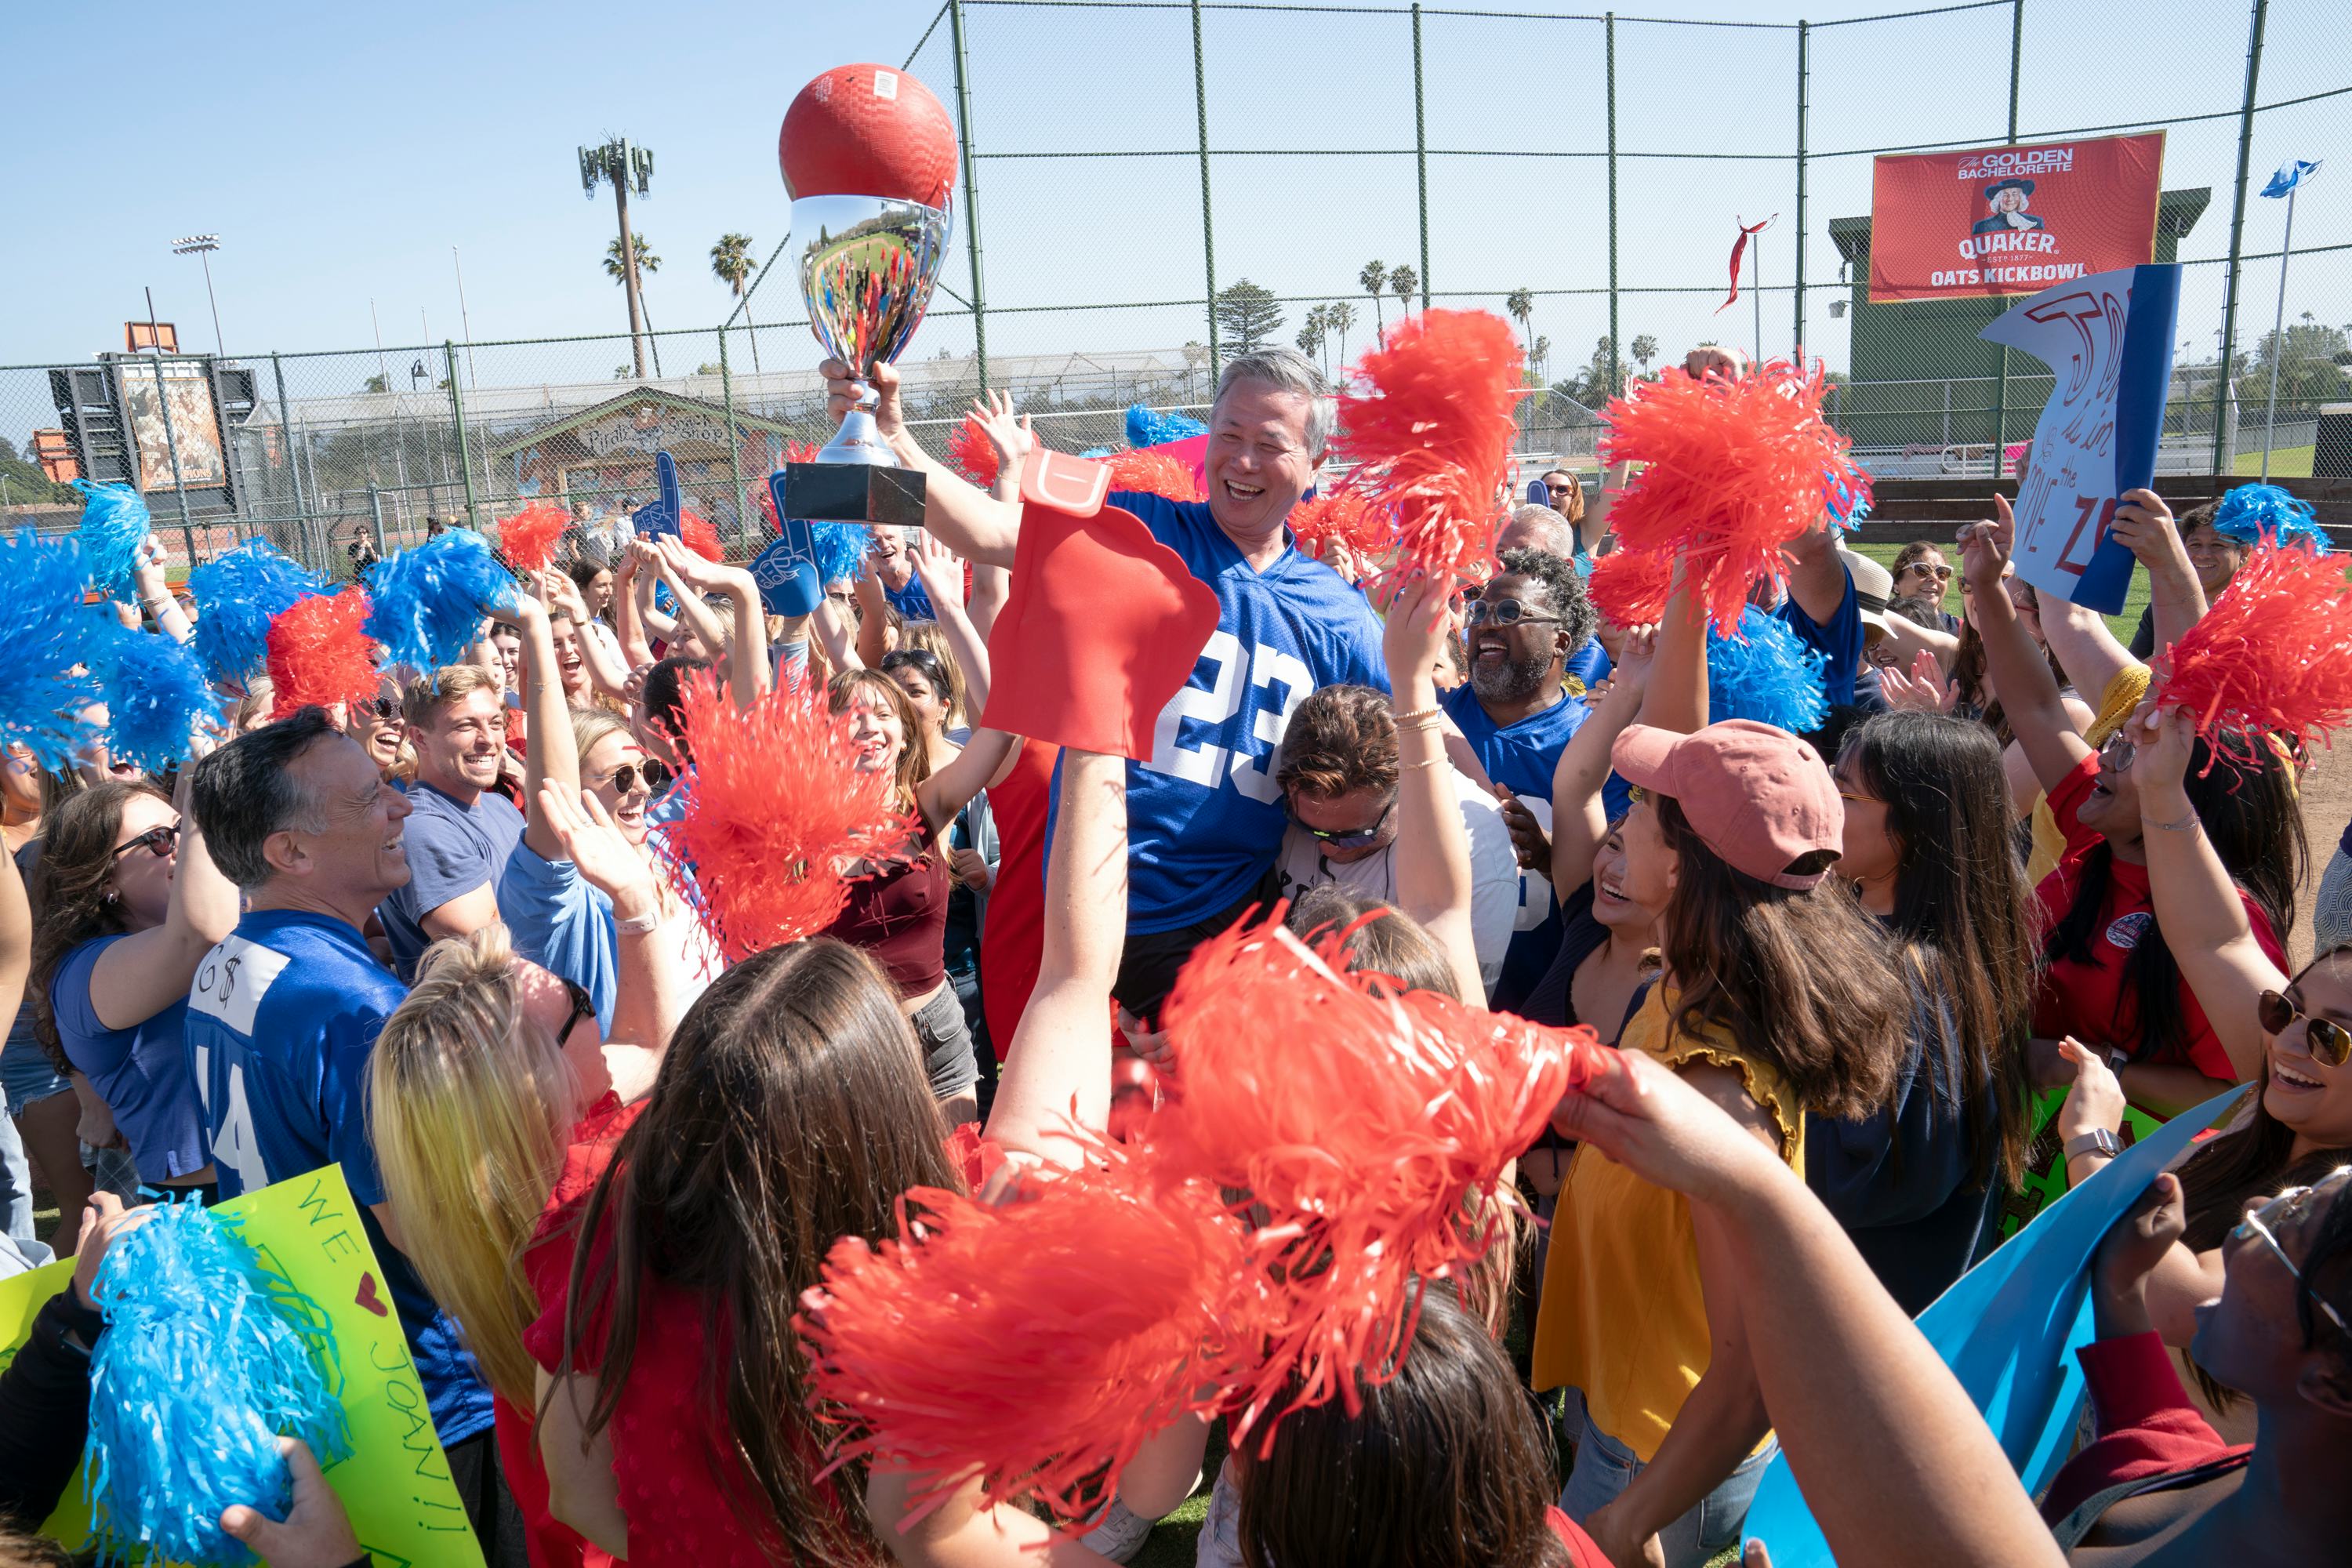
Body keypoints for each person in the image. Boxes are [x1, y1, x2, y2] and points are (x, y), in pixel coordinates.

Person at [822, 345, 1388, 1023]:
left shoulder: (1343, 615)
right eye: (1228, 435)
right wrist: (890, 436)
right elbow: (982, 527)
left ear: (1317, 462)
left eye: (1270, 444)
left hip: (1242, 912)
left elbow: (1398, 750)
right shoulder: (1142, 524)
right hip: (1097, 896)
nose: (1241, 461)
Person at [1530, 713, 1907, 1568]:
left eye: (1643, 808)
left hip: (1659, 1456)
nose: (1620, 817)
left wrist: (1630, 1518)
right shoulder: (1684, 983)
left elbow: (1749, 1376)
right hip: (1617, 1406)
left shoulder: (1721, 1096)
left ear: (1687, 866)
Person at [182, 710, 510, 1556]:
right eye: (369, 797)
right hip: (429, 1389)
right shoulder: (355, 1009)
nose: (401, 806)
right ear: (289, 851)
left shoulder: (224, 960)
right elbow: (426, 1225)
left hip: (322, 1365)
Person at [1961, 501, 2301, 1115]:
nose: (2104, 757)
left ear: (2182, 790)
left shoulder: (2221, 925)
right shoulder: (2094, 840)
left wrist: (2094, 1067)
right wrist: (1988, 590)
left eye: (2127, 753)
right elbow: (2035, 707)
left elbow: (2246, 1099)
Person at [1816, 712, 2038, 1312]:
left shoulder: (1916, 978)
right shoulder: (1850, 919)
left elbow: (1875, 1177)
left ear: (1914, 826)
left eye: (1846, 792)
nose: (1825, 802)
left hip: (1868, 1314)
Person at [2035, 1165, 2352, 1563]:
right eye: (2299, 1197)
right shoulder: (2267, 1484)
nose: (2253, 1206)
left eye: (2285, 1231)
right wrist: (2123, 1287)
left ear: (2336, 1382)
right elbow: (2168, 1449)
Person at [502, 592, 714, 1036]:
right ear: (574, 792)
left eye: (647, 770)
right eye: (620, 778)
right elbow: (552, 786)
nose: (641, 787)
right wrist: (537, 628)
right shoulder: (562, 885)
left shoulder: (657, 844)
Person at [822, 667, 1017, 1127]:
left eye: (884, 714)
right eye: (852, 715)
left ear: (904, 737)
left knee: (953, 1187)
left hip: (937, 1034)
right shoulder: (804, 830)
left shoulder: (929, 804)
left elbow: (1001, 731)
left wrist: (952, 611)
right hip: (852, 1043)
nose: (869, 724)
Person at [30, 779, 238, 1200]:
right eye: (160, 840)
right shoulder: (82, 971)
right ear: (105, 880)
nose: (184, 846)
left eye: (182, 829)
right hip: (211, 1204)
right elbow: (197, 936)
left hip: (291, 1169)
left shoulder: (222, 921)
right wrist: (200, 774)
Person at [1271, 683, 1519, 996]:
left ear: (1409, 790)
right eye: (1308, 828)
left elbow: (1456, 1018)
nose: (1327, 847)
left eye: (1352, 837)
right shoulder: (1274, 788)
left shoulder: (1478, 851)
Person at [1442, 548, 1600, 1011]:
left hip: (1544, 1012)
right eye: (1479, 611)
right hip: (1432, 1002)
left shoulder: (1597, 749)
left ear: (1560, 641)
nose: (1487, 624)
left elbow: (1624, 891)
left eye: (1510, 612)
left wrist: (1555, 858)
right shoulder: (1428, 718)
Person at [373, 666, 526, 982]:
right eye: (466, 726)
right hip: (488, 1025)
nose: (488, 740)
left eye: (496, 723)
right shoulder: (420, 829)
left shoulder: (501, 806)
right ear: (419, 738)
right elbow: (496, 964)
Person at [2125, 499, 2231, 660]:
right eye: (2195, 545)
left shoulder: (2254, 609)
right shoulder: (2163, 606)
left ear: (2244, 551)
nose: (2203, 554)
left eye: (2217, 545)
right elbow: (2134, 663)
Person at [1887, 542, 1960, 633]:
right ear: (1896, 582)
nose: (1934, 578)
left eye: (1942, 572)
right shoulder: (1874, 627)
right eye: (1922, 570)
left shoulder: (1962, 631)